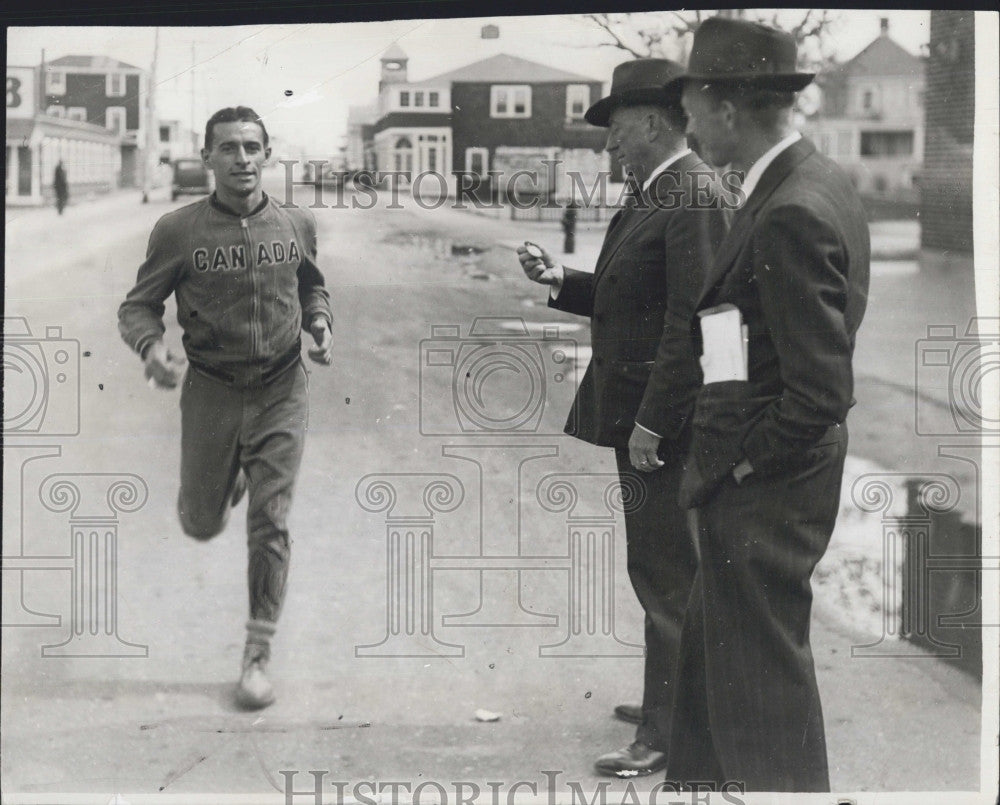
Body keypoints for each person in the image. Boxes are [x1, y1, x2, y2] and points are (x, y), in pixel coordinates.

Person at [662, 18, 871, 791]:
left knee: (760, 689)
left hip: (765, 491)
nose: (687, 125)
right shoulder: (805, 182)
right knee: (721, 670)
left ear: (726, 109)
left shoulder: (790, 208)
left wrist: (744, 467)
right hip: (749, 480)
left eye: (690, 108)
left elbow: (820, 390)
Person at [518, 59, 728, 777]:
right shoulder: (660, 191)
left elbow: (692, 324)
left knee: (666, 568)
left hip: (662, 423)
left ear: (648, 123)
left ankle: (668, 730)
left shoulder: (691, 193)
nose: (608, 146)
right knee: (659, 562)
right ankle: (665, 697)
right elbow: (631, 294)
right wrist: (563, 283)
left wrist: (654, 423)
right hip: (645, 415)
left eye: (614, 131)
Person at [118, 106, 334, 710]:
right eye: (229, 148)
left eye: (252, 147)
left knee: (272, 521)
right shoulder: (178, 230)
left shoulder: (295, 222)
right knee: (201, 523)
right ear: (208, 157)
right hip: (211, 391)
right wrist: (151, 347)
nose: (242, 159)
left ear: (268, 154)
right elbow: (137, 307)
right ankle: (224, 480)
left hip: (281, 389)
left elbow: (311, 282)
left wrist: (319, 322)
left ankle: (257, 657)